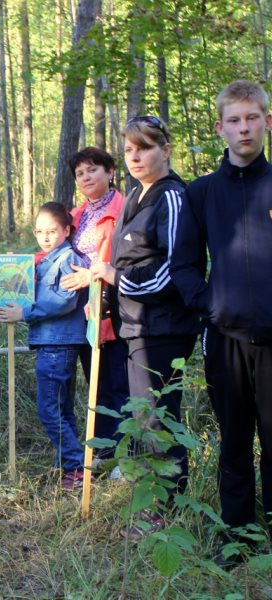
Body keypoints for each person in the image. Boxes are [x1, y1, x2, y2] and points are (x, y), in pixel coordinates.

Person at [170, 80, 272, 566]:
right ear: (220, 129)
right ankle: (238, 538)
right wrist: (209, 305)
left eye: (252, 117)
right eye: (234, 120)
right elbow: (183, 265)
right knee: (234, 441)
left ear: (267, 122)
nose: (244, 127)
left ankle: (270, 534)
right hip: (225, 340)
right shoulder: (202, 192)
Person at [90, 116, 200, 537]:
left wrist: (116, 278)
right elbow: (122, 261)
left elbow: (173, 270)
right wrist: (104, 294)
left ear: (166, 149)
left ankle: (166, 508)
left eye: (146, 147)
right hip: (135, 326)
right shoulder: (136, 194)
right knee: (143, 416)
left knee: (158, 418)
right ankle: (150, 496)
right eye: (130, 149)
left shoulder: (171, 196)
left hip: (164, 328)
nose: (136, 156)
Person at [0, 202, 88, 491]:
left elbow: (64, 299)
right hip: (52, 342)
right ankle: (68, 465)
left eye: (52, 231)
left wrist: (23, 313)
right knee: (62, 409)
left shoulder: (69, 258)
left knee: (49, 410)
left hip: (58, 344)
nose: (45, 237)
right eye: (39, 232)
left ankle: (76, 465)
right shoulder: (44, 261)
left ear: (67, 230)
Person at [60, 148, 130, 474]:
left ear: (110, 171)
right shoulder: (75, 217)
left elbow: (130, 259)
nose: (86, 177)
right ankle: (103, 447)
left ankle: (126, 453)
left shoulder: (126, 209)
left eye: (93, 170)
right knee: (96, 379)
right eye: (80, 174)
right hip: (84, 312)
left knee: (120, 379)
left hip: (116, 306)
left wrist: (95, 275)